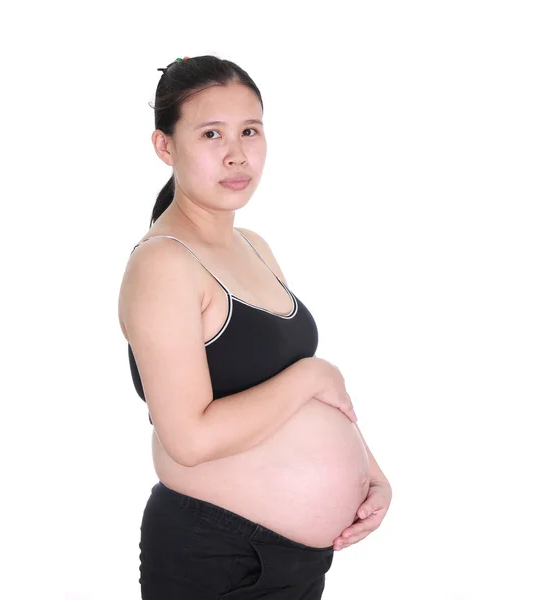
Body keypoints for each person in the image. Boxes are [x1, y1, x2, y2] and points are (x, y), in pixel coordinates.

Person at [118, 55, 385, 599]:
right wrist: (313, 376)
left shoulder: (253, 247)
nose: (237, 154)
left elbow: (301, 392)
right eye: (211, 133)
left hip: (295, 558)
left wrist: (370, 473)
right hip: (217, 554)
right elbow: (188, 438)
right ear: (164, 146)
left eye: (250, 131)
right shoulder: (163, 265)